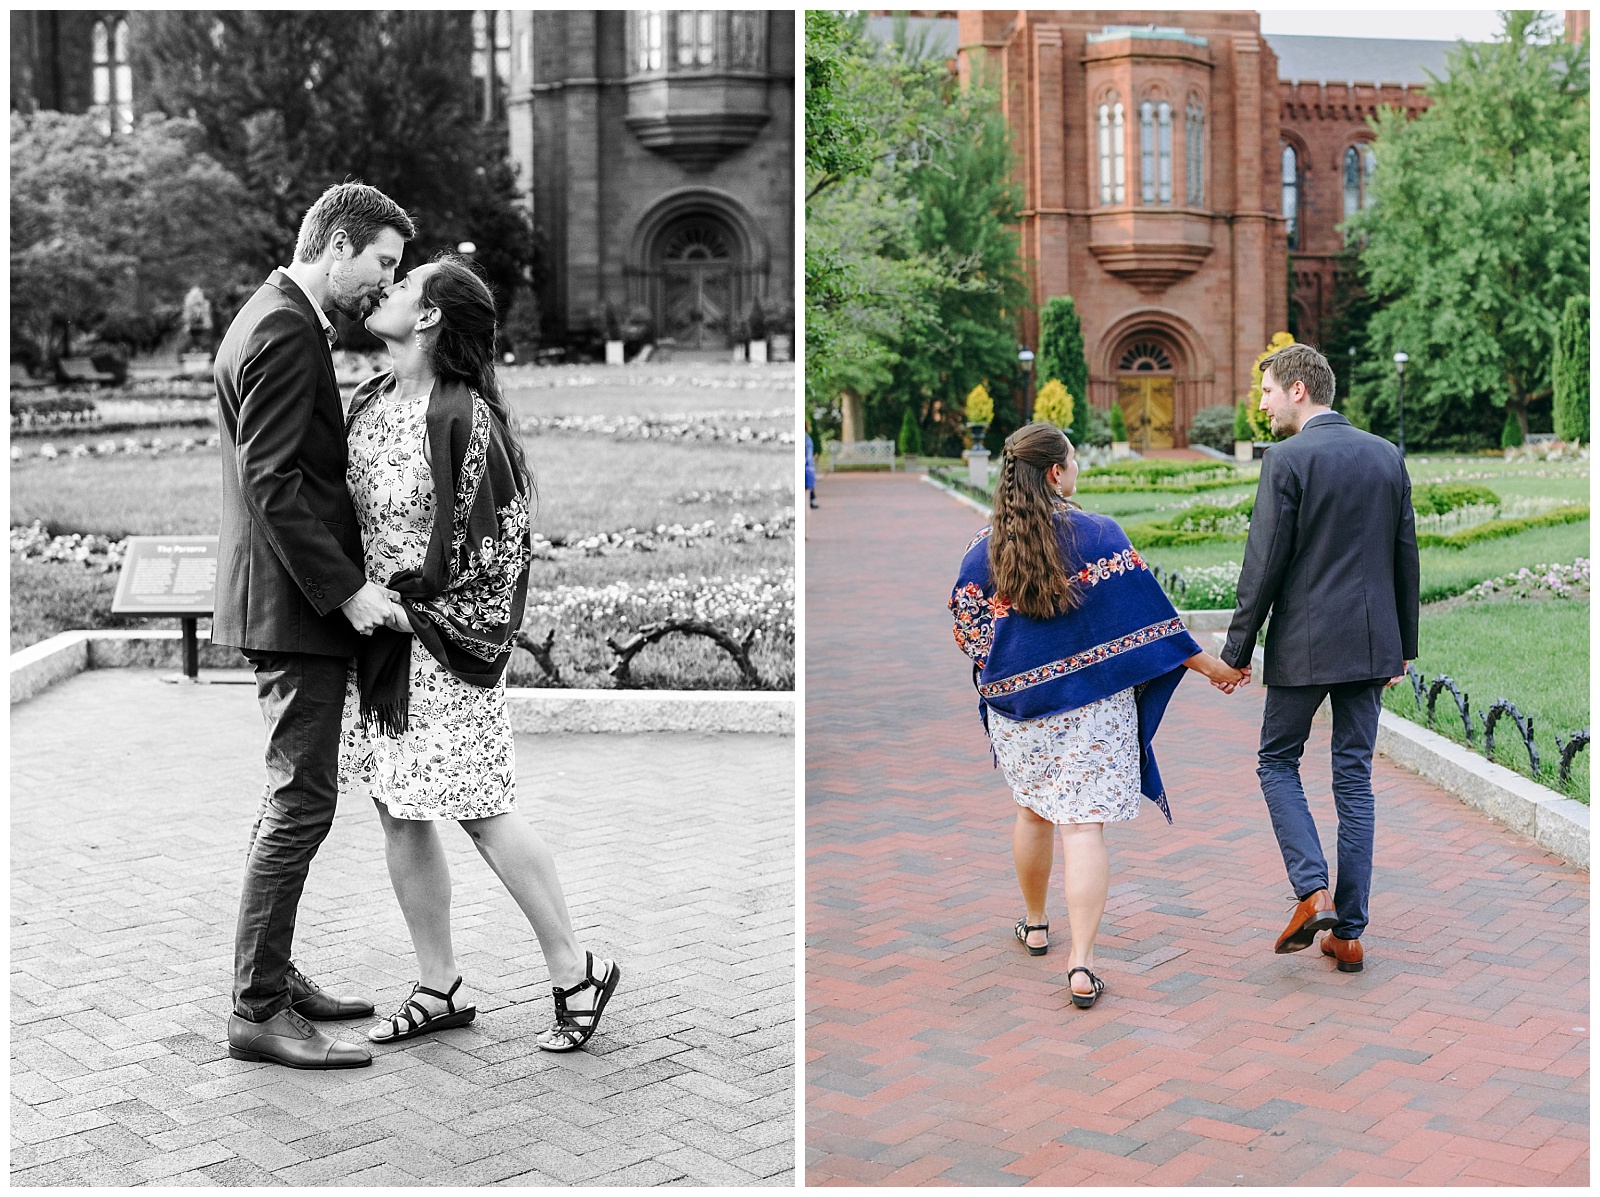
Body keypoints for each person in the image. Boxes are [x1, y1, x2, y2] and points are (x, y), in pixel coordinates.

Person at [340, 254, 620, 1052]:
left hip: (439, 644)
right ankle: (439, 984)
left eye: (401, 285)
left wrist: (416, 608)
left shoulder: (464, 416)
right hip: (380, 647)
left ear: (428, 317)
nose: (384, 291)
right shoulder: (369, 401)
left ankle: (576, 970)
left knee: (479, 808)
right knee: (398, 810)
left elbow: (499, 546)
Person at [216, 182, 416, 1070]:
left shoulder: (269, 315)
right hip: (295, 609)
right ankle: (258, 1007)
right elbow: (274, 484)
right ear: (336, 245)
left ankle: (274, 972)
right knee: (301, 802)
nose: (384, 284)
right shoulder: (284, 329)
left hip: (282, 602)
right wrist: (348, 592)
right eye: (381, 263)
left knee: (291, 799)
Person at [950, 423, 1243, 1008]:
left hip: (1021, 711)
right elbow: (1151, 621)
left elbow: (968, 631)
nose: (1077, 468)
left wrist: (1018, 668)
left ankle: (1035, 925)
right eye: (1074, 460)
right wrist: (1214, 667)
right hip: (1092, 711)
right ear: (1056, 472)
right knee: (1082, 828)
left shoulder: (984, 548)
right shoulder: (1100, 536)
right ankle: (1081, 966)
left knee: (1032, 813)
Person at [1220, 343, 1419, 973]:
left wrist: (1236, 651)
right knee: (1353, 778)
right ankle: (1350, 932)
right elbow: (1405, 555)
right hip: (1370, 646)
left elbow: (1264, 563)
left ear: (1299, 390)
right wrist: (1403, 647)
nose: (1263, 403)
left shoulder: (1287, 458)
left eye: (1268, 392)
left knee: (1276, 761)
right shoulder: (1386, 454)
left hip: (1305, 646)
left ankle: (1312, 892)